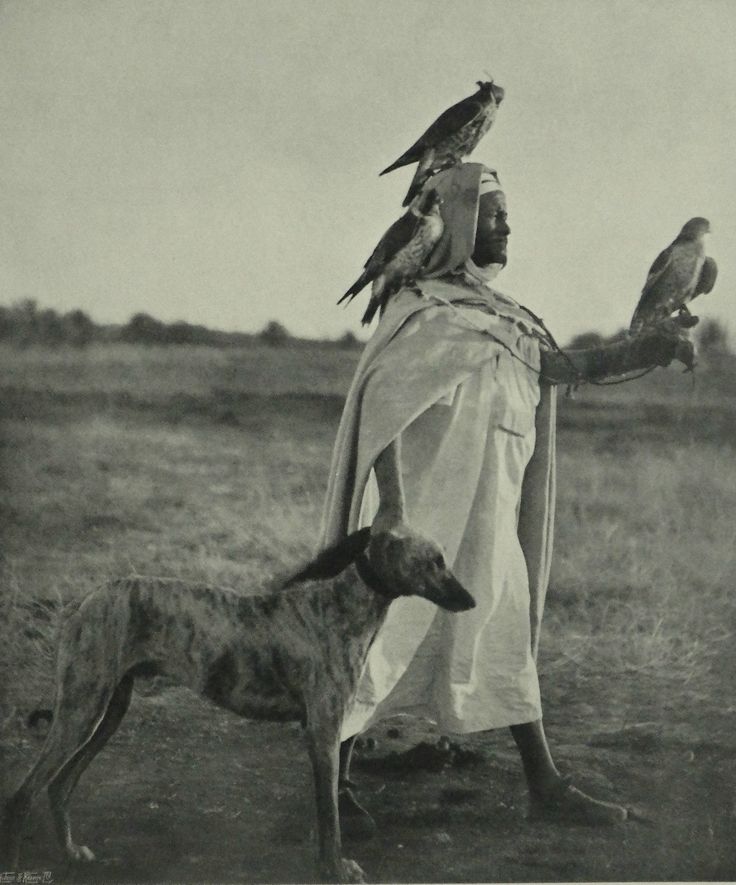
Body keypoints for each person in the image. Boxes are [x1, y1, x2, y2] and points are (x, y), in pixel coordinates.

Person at [321, 162, 688, 832]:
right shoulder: (422, 311)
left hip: (489, 516)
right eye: (494, 214)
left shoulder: (508, 319)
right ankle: (329, 790)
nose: (507, 225)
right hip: (425, 517)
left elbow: (569, 369)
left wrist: (650, 347)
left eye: (508, 214)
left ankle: (544, 784)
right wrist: (395, 511)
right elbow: (384, 413)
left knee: (504, 626)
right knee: (382, 636)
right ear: (460, 223)